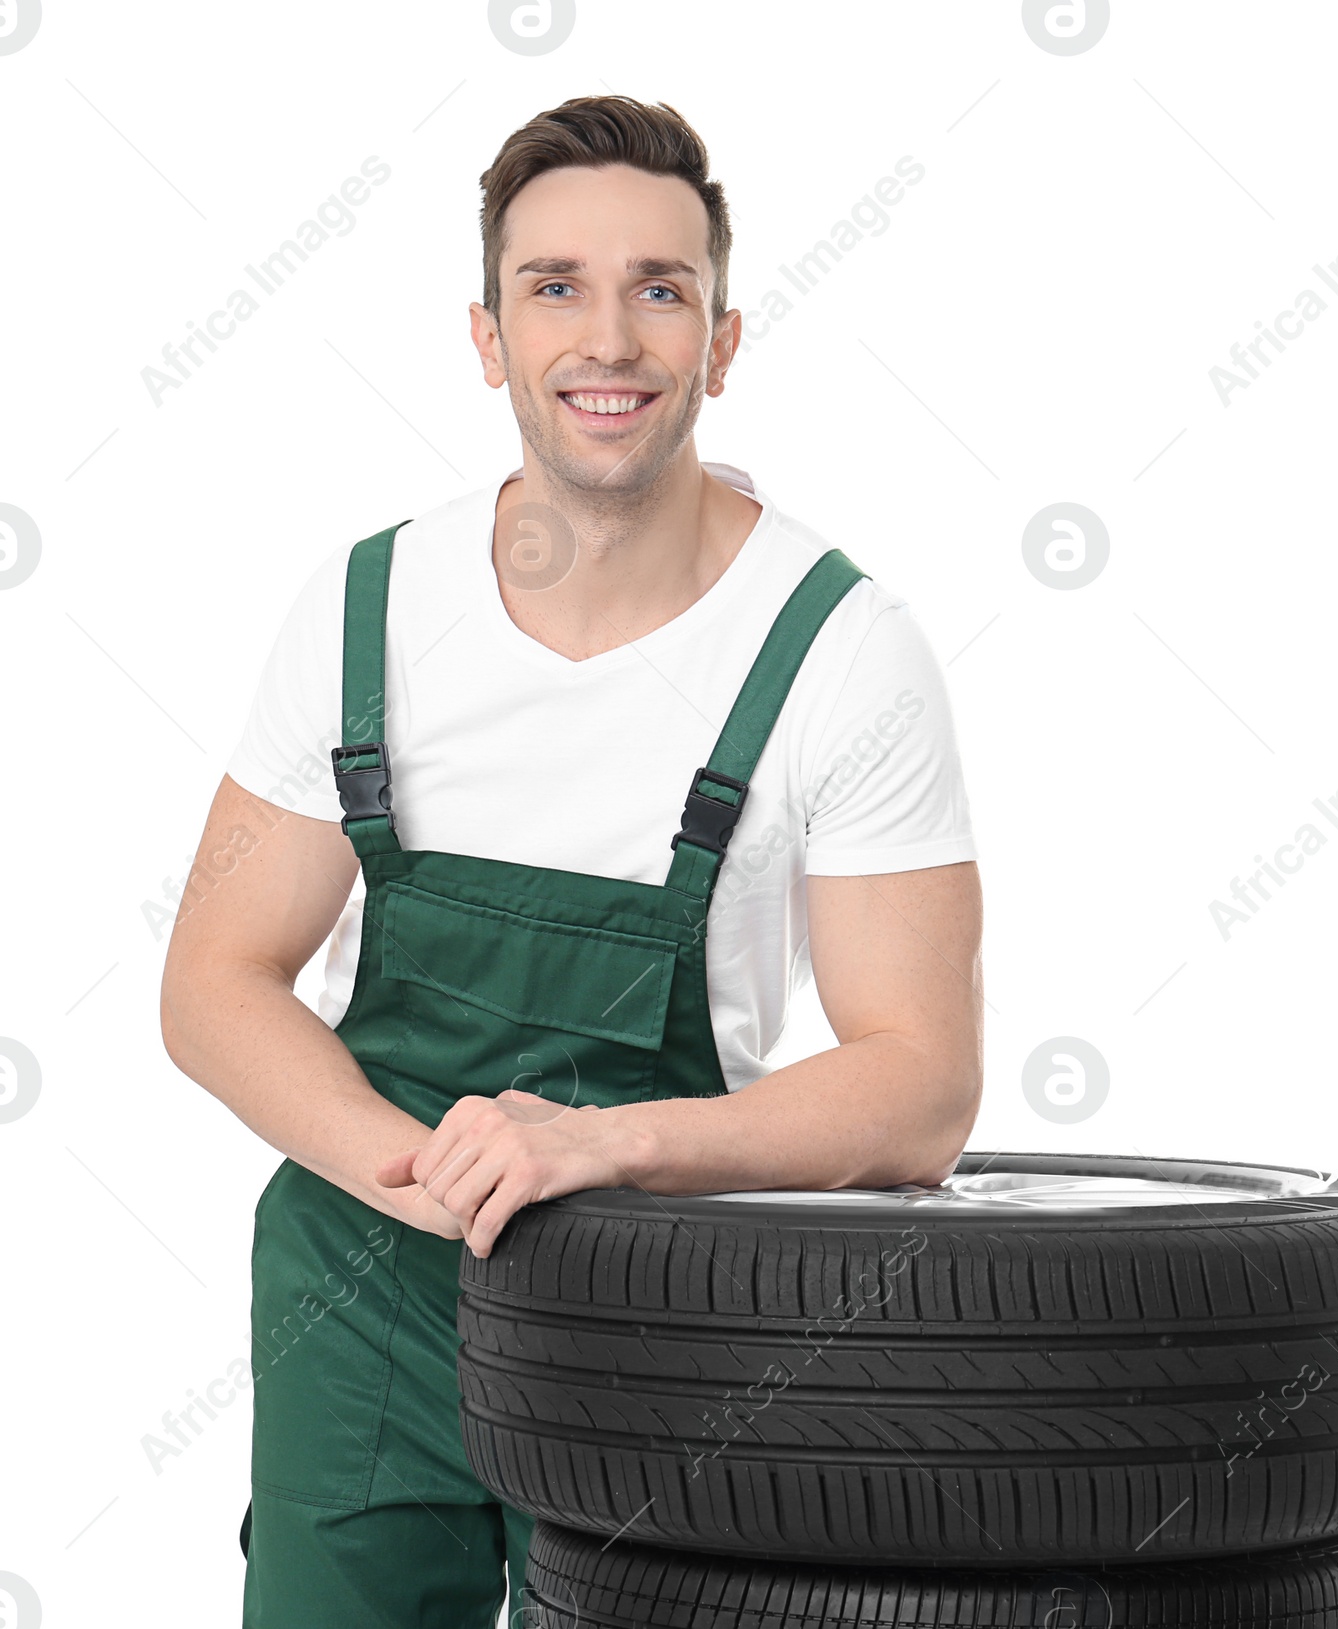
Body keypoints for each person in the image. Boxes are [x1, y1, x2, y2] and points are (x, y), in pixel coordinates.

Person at [159, 93, 983, 1628]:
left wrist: (598, 1148)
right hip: (359, 1299)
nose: (609, 339)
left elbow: (922, 1082)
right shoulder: (365, 612)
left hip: (656, 1314)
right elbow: (213, 977)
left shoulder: (842, 654)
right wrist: (405, 1170)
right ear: (487, 336)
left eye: (661, 289)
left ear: (723, 342)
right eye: (556, 288)